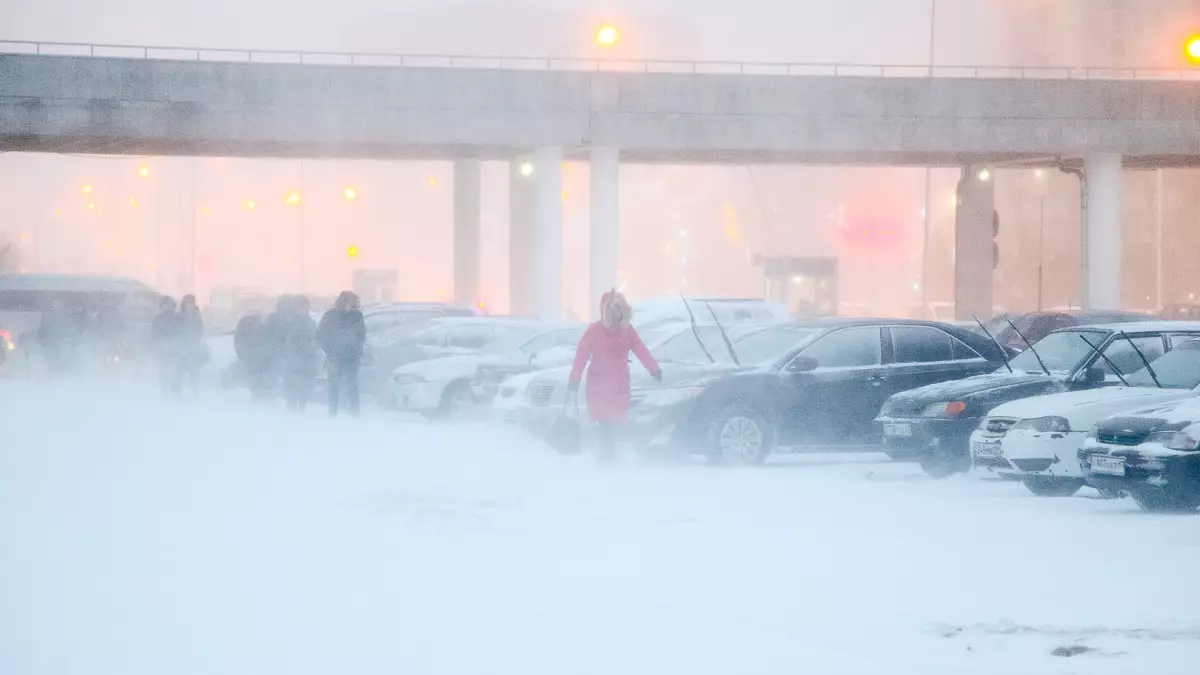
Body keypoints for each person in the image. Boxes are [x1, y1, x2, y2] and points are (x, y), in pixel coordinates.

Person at [568, 291, 662, 461]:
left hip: (619, 384)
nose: (616, 313)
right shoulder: (594, 331)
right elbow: (581, 355)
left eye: (620, 309)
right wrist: (574, 379)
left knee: (613, 422)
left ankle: (607, 454)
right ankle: (606, 457)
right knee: (605, 423)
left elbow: (640, 349)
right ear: (606, 310)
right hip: (598, 385)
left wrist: (654, 369)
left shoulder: (627, 331)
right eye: (613, 309)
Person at [318, 291, 366, 417]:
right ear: (340, 302)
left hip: (352, 357)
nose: (348, 306)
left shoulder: (357, 316)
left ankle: (355, 413)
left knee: (352, 385)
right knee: (334, 386)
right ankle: (332, 412)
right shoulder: (330, 315)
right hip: (335, 356)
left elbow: (362, 334)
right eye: (346, 302)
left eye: (350, 303)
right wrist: (329, 351)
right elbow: (321, 335)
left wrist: (356, 345)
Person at [281, 295, 319, 413]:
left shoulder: (310, 323)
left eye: (304, 308)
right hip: (292, 362)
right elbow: (282, 340)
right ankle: (292, 413)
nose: (302, 310)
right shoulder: (288, 322)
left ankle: (300, 412)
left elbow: (316, 340)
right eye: (300, 307)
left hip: (304, 363)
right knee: (292, 391)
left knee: (302, 392)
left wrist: (310, 349)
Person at [234, 313, 272, 403]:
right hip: (259, 360)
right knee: (261, 381)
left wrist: (242, 356)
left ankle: (256, 401)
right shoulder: (263, 326)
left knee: (254, 382)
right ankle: (263, 401)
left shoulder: (243, 325)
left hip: (251, 360)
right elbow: (268, 343)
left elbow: (238, 343)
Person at [150, 296, 183, 397]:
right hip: (162, 350)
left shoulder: (178, 318)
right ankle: (164, 391)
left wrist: (176, 340)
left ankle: (176, 392)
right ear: (162, 306)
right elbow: (153, 333)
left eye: (169, 304)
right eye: (165, 304)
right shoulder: (157, 318)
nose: (167, 307)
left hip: (175, 350)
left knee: (175, 371)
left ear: (173, 306)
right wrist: (162, 339)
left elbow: (182, 331)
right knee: (162, 371)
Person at [177, 295, 207, 397]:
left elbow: (200, 331)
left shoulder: (197, 317)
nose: (189, 305)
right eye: (187, 303)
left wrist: (195, 340)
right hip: (180, 348)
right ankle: (178, 395)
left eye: (191, 303)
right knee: (179, 373)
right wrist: (181, 345)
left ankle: (194, 394)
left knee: (194, 373)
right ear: (183, 304)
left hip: (193, 349)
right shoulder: (179, 316)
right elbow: (176, 331)